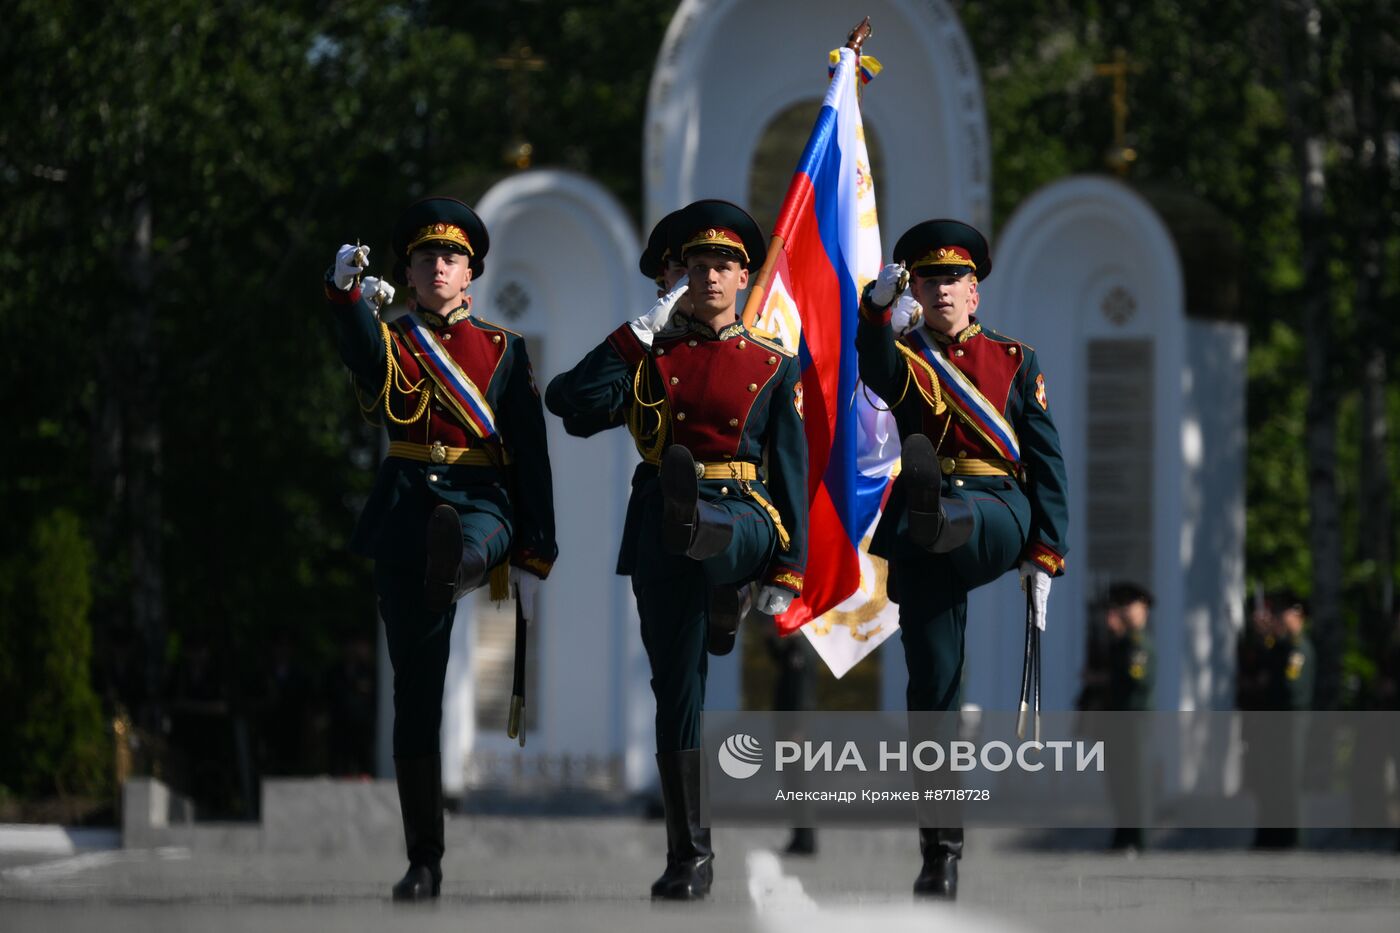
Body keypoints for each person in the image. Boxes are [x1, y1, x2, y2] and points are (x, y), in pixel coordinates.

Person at [545, 199, 808, 900]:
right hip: (662, 526)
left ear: (745, 277)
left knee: (725, 536)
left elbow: (792, 469)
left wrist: (792, 566)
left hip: (746, 510)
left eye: (724, 264)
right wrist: (633, 337)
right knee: (677, 694)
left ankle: (728, 574)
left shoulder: (774, 362)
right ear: (679, 277)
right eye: (697, 264)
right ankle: (690, 853)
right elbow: (568, 402)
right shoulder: (652, 357)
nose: (710, 275)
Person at [323, 196, 557, 901]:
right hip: (405, 507)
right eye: (425, 257)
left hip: (480, 498)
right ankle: (424, 856)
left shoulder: (505, 349)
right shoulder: (391, 338)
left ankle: (457, 561)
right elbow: (360, 355)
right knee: (415, 693)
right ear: (411, 273)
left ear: (470, 274)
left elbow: (532, 455)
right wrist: (344, 294)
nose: (437, 266)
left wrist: (537, 549)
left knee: (472, 539)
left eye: (450, 257)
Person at [854, 219, 1068, 899]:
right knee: (932, 691)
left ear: (974, 292)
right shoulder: (904, 350)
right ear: (913, 287)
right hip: (924, 529)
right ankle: (940, 848)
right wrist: (873, 309)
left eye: (953, 279)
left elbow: (1046, 461)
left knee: (960, 517)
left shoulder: (1015, 359)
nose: (941, 289)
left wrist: (1047, 553)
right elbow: (875, 371)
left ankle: (939, 510)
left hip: (998, 509)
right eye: (928, 278)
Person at [1100, 582, 1154, 851]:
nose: (1122, 613)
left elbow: (1136, 681)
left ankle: (1138, 838)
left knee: (1135, 781)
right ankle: (1123, 835)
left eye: (1127, 607)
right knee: (1119, 780)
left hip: (1134, 721)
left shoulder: (1138, 645)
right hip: (1118, 721)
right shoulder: (1121, 644)